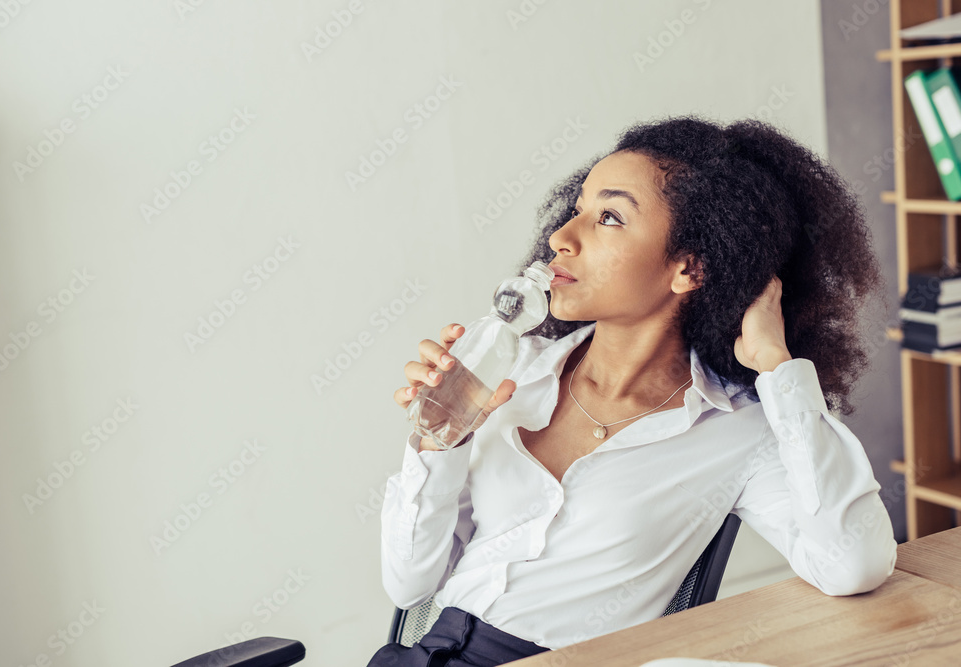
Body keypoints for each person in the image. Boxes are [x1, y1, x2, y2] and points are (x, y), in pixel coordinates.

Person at [367, 115, 898, 667]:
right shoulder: (508, 373)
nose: (560, 238)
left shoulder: (740, 429)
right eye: (578, 210)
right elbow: (410, 584)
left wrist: (778, 367)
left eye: (609, 217)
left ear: (690, 268)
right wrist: (440, 441)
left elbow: (852, 564)